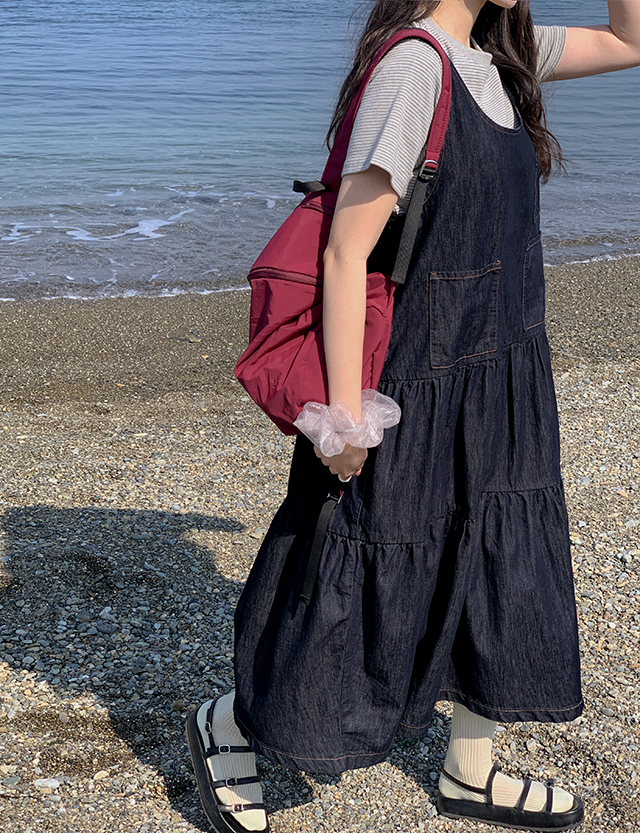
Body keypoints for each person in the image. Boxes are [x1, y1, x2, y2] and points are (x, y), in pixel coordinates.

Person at [186, 2, 640, 832]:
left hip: (504, 366)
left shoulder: (504, 51)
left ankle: (472, 771)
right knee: (355, 568)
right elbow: (344, 251)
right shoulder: (415, 66)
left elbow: (629, 41)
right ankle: (233, 721)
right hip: (417, 380)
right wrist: (345, 420)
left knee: (499, 560)